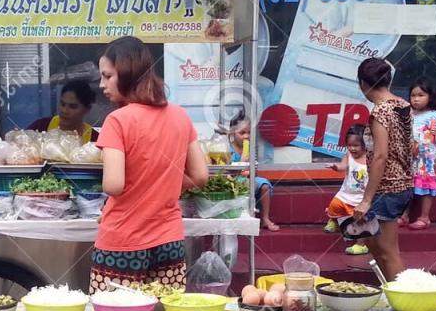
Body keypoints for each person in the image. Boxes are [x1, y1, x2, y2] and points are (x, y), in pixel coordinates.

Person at [91, 36, 210, 292]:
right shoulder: (180, 116)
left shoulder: (117, 121)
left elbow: (113, 185)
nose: (102, 84)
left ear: (127, 72)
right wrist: (161, 186)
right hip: (168, 240)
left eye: (107, 76)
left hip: (122, 242)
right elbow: (200, 175)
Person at [353, 57, 413, 279]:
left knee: (388, 251)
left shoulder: (380, 112)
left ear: (362, 83)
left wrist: (367, 198)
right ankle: (391, 290)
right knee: (373, 243)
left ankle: (406, 297)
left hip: (388, 187)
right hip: (403, 184)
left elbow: (380, 156)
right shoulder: (402, 105)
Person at [403, 77, 436, 230]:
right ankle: (404, 215)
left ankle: (424, 217)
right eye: (413, 95)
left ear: (430, 97)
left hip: (425, 159)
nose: (416, 99)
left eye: (421, 95)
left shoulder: (433, 116)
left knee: (425, 186)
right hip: (408, 157)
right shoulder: (408, 114)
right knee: (406, 186)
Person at [228, 115, 278, 231]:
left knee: (264, 185)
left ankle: (265, 218)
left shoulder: (250, 149)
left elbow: (254, 170)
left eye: (249, 132)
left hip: (247, 177)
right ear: (232, 134)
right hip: (233, 179)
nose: (246, 136)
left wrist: (251, 168)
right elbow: (228, 172)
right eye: (242, 133)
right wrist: (241, 163)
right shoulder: (228, 149)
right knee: (245, 184)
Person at [325, 125, 370, 255]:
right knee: (334, 205)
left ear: (365, 144)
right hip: (345, 193)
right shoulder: (348, 156)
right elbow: (342, 166)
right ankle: (334, 221)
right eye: (349, 145)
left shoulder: (371, 159)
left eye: (356, 145)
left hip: (361, 197)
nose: (352, 148)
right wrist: (335, 166)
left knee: (359, 221)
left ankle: (361, 245)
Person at [28, 79, 100, 141]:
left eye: (73, 107)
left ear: (87, 109)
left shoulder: (95, 139)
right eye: (62, 104)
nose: (65, 111)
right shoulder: (40, 127)